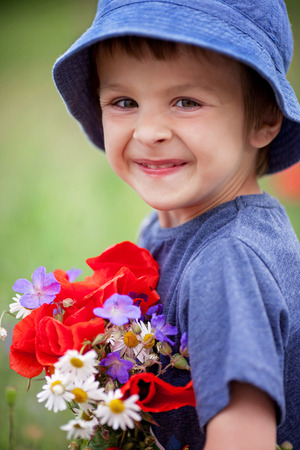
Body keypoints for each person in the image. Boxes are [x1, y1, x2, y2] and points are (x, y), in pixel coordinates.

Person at [52, 1, 300, 448]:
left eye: (186, 102)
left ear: (263, 118)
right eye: (124, 101)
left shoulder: (228, 261)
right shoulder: (175, 228)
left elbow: (242, 437)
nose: (149, 132)